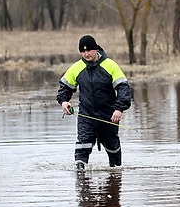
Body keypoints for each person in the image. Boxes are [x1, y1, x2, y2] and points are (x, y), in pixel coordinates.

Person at [56, 35, 131, 172]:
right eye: (83, 52)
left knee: (114, 158)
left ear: (96, 49)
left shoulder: (110, 65)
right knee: (81, 152)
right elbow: (64, 88)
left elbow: (123, 89)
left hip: (109, 116)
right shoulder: (76, 68)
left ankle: (114, 183)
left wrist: (119, 109)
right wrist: (64, 102)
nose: (86, 54)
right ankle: (82, 186)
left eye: (89, 50)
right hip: (86, 116)